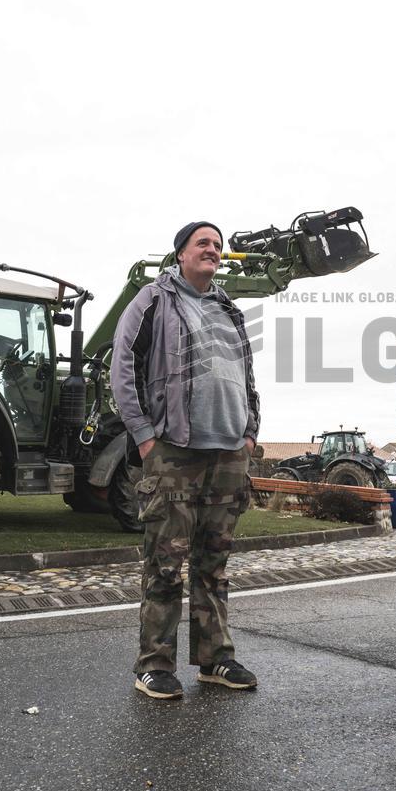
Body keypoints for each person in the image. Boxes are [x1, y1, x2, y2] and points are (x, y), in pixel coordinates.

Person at [111, 221, 260, 700]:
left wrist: (251, 432)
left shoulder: (230, 310)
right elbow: (122, 365)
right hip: (173, 450)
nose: (212, 249)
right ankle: (154, 665)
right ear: (180, 254)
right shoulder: (154, 300)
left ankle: (216, 659)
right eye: (203, 243)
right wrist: (144, 436)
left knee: (214, 564)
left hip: (229, 452)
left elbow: (247, 376)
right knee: (165, 563)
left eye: (218, 245)